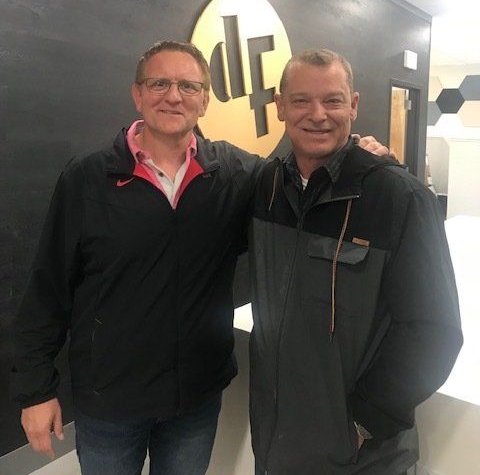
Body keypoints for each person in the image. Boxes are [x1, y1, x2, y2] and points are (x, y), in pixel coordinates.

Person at [11, 40, 387, 475]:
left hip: (195, 399)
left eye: (188, 86)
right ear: (137, 94)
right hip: (109, 401)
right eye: (159, 83)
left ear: (205, 100)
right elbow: (47, 288)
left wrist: (357, 154)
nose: (174, 96)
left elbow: (301, 176)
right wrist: (35, 391)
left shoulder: (237, 174)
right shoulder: (87, 178)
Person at [248, 49, 463, 475]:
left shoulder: (400, 197)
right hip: (275, 442)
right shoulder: (265, 187)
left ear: (354, 105)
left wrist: (366, 421)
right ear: (280, 106)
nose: (318, 115)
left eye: (333, 100)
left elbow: (434, 330)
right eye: (301, 100)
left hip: (363, 455)